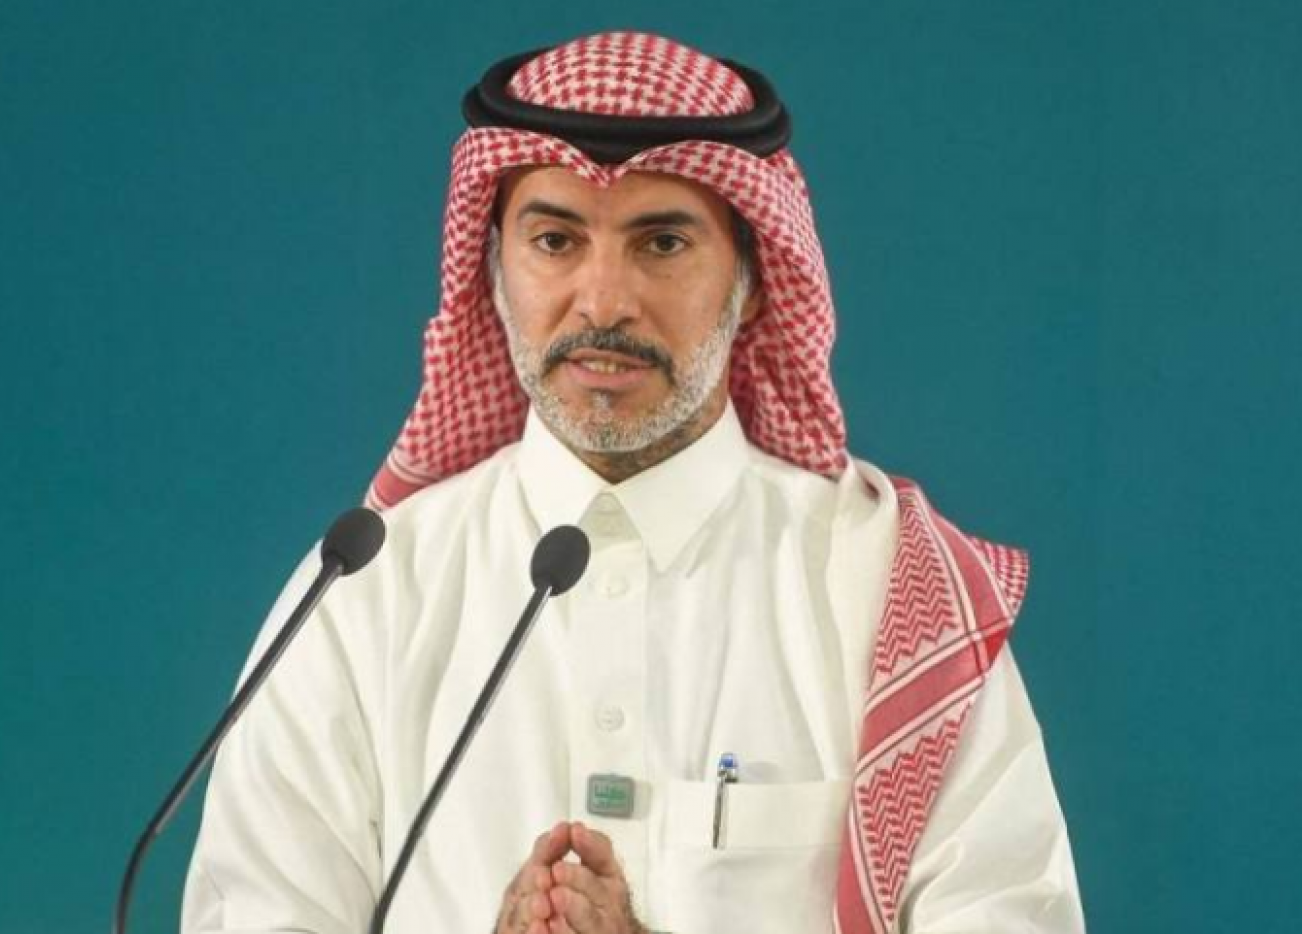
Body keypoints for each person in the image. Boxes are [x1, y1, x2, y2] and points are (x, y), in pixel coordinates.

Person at [182, 31, 1084, 934]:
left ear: (753, 280)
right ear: (493, 273)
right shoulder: (364, 594)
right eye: (554, 240)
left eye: (661, 243)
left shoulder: (890, 593)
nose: (604, 301)